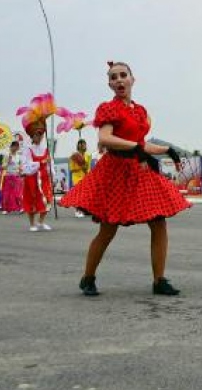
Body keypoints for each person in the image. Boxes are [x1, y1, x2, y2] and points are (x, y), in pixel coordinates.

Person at [61, 60, 191, 297]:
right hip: (116, 171)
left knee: (159, 222)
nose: (119, 79)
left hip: (139, 171)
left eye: (123, 75)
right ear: (110, 84)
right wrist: (136, 147)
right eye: (114, 77)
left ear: (132, 79)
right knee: (108, 229)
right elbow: (105, 137)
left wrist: (165, 150)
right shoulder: (108, 109)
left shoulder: (140, 111)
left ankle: (159, 280)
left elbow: (142, 144)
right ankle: (88, 277)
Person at [20, 122, 53, 232]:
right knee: (32, 201)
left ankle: (41, 222)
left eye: (40, 135)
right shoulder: (27, 149)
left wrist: (50, 170)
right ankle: (32, 224)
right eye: (36, 135)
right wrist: (41, 162)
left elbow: (50, 163)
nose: (38, 137)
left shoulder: (45, 149)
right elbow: (26, 166)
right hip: (32, 179)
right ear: (32, 136)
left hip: (44, 178)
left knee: (47, 200)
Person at [0, 142, 24, 214]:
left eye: (17, 147)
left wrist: (21, 170)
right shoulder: (7, 155)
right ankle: (5, 209)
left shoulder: (19, 156)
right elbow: (3, 167)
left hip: (16, 176)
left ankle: (20, 208)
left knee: (17, 193)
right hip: (8, 176)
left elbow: (20, 166)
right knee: (6, 194)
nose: (16, 148)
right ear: (11, 147)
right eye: (15, 146)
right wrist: (8, 162)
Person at [69, 139, 91, 218]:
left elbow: (88, 167)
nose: (82, 145)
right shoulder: (74, 156)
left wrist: (86, 171)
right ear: (78, 145)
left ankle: (84, 210)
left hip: (85, 176)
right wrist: (80, 166)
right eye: (80, 144)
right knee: (79, 194)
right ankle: (77, 210)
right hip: (76, 177)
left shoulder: (88, 155)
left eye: (83, 144)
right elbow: (71, 169)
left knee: (85, 195)